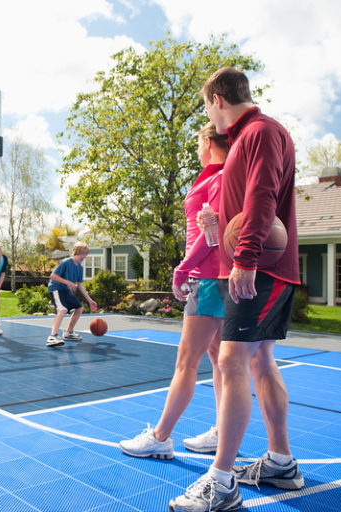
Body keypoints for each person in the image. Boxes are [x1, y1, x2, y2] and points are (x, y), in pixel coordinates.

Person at [168, 67, 303, 512]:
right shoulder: (253, 136)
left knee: (230, 361)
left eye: (208, 106)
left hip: (259, 267)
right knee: (260, 360)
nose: (210, 115)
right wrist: (216, 232)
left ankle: (221, 483)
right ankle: (281, 462)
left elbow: (261, 197)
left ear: (218, 100)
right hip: (256, 266)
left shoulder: (259, 132)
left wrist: (244, 259)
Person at [119, 122, 228, 460]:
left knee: (186, 362)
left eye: (199, 144)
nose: (198, 150)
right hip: (217, 279)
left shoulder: (217, 179)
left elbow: (210, 238)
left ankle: (160, 436)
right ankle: (224, 431)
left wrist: (182, 268)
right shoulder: (223, 177)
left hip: (208, 279)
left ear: (208, 142)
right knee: (217, 359)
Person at [46, 241, 97, 347]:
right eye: (82, 253)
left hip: (65, 290)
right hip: (56, 288)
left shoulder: (80, 268)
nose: (84, 256)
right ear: (76, 252)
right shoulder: (66, 262)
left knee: (80, 308)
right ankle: (52, 336)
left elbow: (80, 286)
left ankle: (68, 333)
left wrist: (90, 300)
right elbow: (53, 276)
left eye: (85, 254)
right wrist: (68, 282)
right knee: (63, 310)